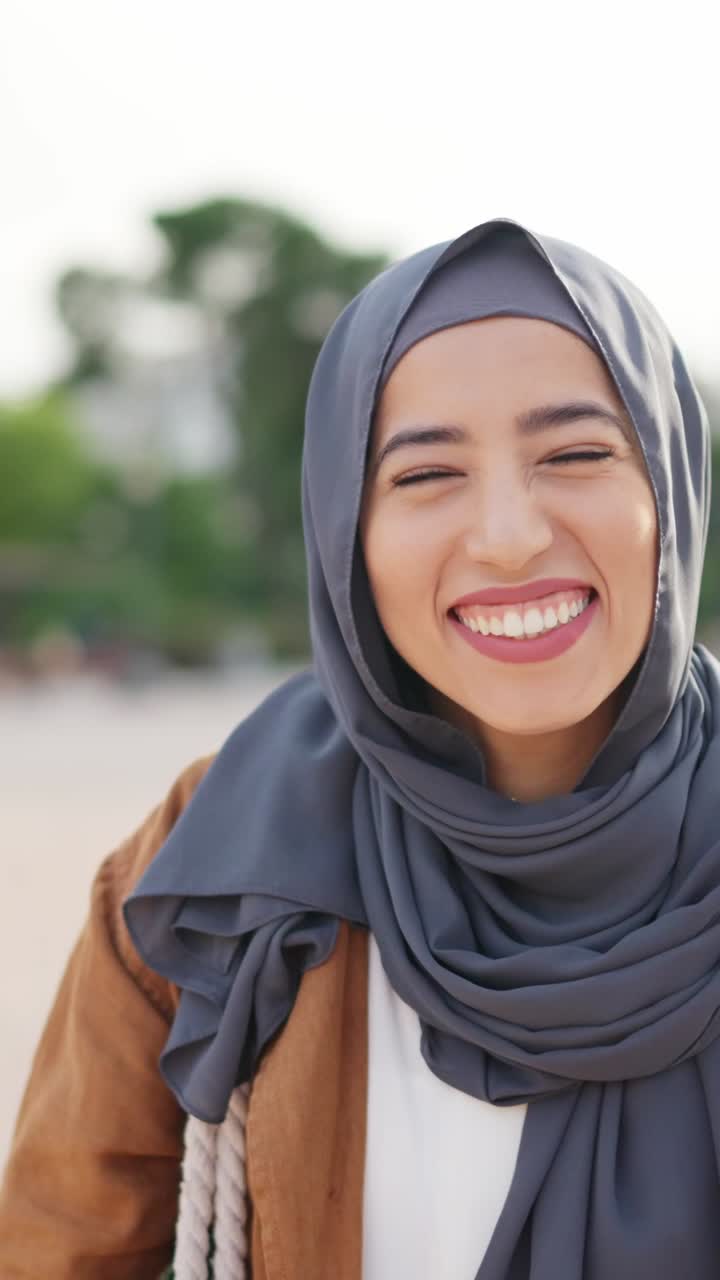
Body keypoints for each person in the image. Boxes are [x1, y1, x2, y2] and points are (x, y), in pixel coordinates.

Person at [0, 216, 718, 1280]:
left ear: (671, 486)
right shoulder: (219, 860)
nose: (511, 535)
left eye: (576, 453)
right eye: (427, 475)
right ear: (348, 531)